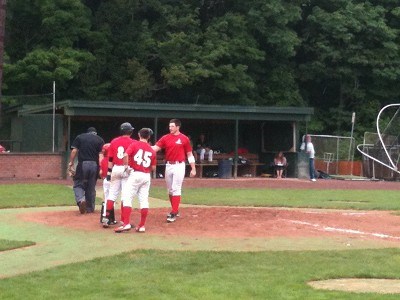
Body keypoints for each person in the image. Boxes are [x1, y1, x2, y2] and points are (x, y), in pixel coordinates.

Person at [152, 119, 196, 223]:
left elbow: (189, 154)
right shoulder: (165, 137)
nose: (170, 128)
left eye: (172, 126)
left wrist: (193, 168)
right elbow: (155, 148)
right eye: (170, 126)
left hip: (179, 165)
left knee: (176, 188)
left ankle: (174, 212)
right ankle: (175, 209)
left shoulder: (184, 138)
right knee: (170, 190)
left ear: (177, 127)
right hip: (169, 165)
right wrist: (143, 146)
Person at [115, 128, 157, 233]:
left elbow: (125, 155)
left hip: (135, 173)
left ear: (139, 135)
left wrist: (126, 167)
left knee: (126, 197)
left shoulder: (134, 144)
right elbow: (153, 168)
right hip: (146, 175)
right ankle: (142, 226)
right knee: (143, 200)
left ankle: (126, 224)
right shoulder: (152, 150)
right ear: (149, 137)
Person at [102, 122, 137, 228]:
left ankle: (106, 218)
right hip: (126, 169)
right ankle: (124, 220)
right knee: (125, 196)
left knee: (112, 194)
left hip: (116, 168)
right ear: (130, 131)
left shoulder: (114, 141)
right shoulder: (133, 142)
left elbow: (110, 159)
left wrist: (108, 173)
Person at [68, 127, 105, 214]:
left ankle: (81, 200)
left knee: (78, 184)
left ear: (87, 132)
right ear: (95, 133)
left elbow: (74, 151)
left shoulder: (80, 137)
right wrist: (101, 168)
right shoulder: (100, 140)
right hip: (94, 165)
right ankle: (90, 208)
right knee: (91, 187)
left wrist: (71, 163)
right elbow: (101, 156)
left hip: (83, 164)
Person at [99, 143, 111, 224]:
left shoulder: (103, 160)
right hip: (114, 180)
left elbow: (101, 173)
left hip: (106, 180)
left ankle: (104, 218)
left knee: (106, 199)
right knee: (112, 199)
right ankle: (111, 218)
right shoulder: (113, 160)